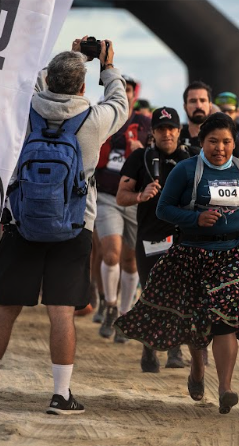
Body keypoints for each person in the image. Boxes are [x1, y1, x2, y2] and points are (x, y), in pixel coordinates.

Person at [0, 40, 129, 414]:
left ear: (50, 79)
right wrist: (107, 66)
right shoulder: (94, 118)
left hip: (22, 221)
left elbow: (30, 83)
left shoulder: (26, 109)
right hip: (74, 227)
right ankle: (60, 395)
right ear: (83, 87)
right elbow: (120, 101)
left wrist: (67, 58)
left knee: (4, 307)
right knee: (61, 312)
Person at [115, 112, 239, 415]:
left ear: (235, 143)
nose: (220, 148)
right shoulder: (185, 170)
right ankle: (196, 368)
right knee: (198, 322)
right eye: (212, 142)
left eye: (226, 142)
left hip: (230, 256)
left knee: (226, 323)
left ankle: (225, 388)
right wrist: (196, 218)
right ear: (201, 141)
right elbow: (164, 210)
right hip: (192, 254)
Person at [116, 106, 193, 372]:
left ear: (179, 131)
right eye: (161, 129)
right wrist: (140, 195)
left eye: (171, 128)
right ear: (153, 132)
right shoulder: (141, 157)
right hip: (151, 236)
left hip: (183, 236)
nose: (167, 134)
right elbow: (120, 196)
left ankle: (174, 349)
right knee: (151, 293)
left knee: (180, 292)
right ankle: (149, 347)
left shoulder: (192, 157)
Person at [94, 74, 152, 342]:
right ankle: (110, 304)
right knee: (111, 253)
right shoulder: (101, 117)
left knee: (131, 261)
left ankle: (125, 315)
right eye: (119, 88)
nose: (123, 92)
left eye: (128, 89)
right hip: (107, 196)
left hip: (136, 199)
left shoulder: (145, 124)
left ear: (134, 94)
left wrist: (143, 151)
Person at [179, 81, 213, 154]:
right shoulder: (177, 138)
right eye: (193, 101)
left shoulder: (224, 136)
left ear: (210, 106)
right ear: (185, 107)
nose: (198, 106)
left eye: (202, 100)